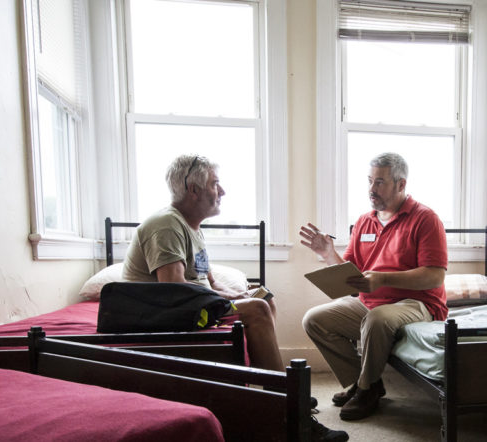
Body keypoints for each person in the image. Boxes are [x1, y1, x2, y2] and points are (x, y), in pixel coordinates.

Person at [124, 154, 349, 442]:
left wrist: (236, 295)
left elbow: (208, 282)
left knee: (262, 298)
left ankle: (272, 388)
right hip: (160, 316)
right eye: (215, 184)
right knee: (256, 309)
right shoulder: (166, 225)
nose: (222, 191)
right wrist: (231, 302)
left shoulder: (191, 227)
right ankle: (286, 409)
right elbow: (173, 289)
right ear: (193, 189)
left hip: (184, 307)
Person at [300, 152, 448, 421]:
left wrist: (382, 279)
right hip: (370, 302)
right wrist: (328, 254)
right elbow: (351, 275)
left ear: (401, 184)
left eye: (379, 182)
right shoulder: (364, 221)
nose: (371, 188)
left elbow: (435, 276)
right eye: (369, 181)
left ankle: (366, 390)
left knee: (376, 319)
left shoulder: (425, 218)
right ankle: (362, 381)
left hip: (417, 303)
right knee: (314, 319)